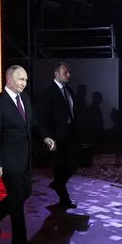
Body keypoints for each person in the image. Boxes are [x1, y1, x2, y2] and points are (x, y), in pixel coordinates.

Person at [0, 65, 54, 244]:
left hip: (25, 159)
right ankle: (19, 242)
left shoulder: (25, 98)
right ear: (8, 78)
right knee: (16, 201)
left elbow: (32, 122)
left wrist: (44, 136)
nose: (24, 83)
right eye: (20, 79)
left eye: (25, 80)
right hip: (8, 161)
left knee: (25, 193)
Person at [39, 62, 79, 209]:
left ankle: (58, 185)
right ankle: (64, 198)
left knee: (73, 166)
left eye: (68, 72)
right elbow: (43, 118)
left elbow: (72, 113)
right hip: (56, 137)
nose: (68, 75)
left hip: (69, 134)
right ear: (56, 74)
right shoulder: (49, 94)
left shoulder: (69, 91)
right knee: (59, 166)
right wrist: (48, 137)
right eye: (65, 73)